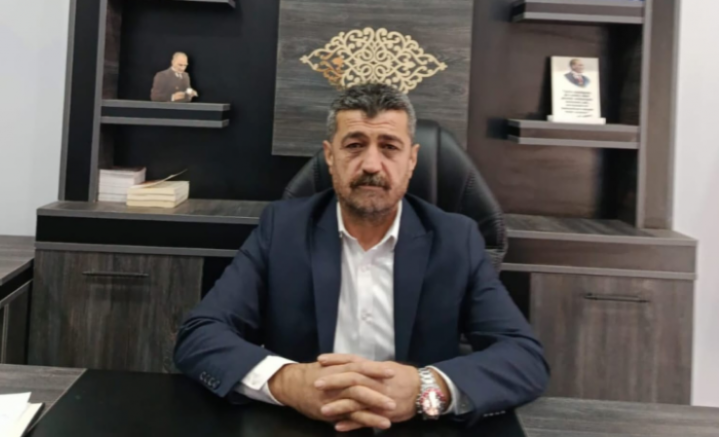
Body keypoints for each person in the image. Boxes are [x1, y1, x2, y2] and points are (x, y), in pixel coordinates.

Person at [174, 83, 549, 431]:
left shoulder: (455, 239)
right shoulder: (283, 228)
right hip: (301, 427)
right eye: (354, 145)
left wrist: (425, 389)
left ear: (412, 160)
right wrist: (289, 382)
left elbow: (524, 357)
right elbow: (200, 334)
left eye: (389, 147)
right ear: (330, 156)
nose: (371, 164)